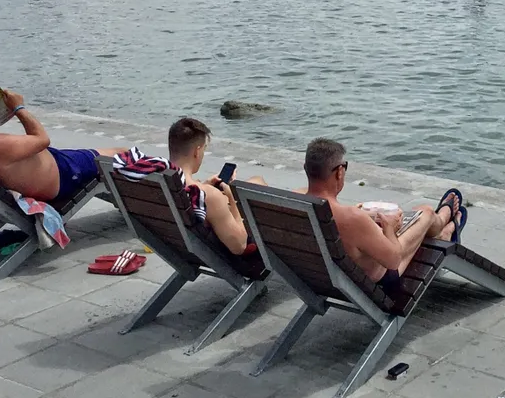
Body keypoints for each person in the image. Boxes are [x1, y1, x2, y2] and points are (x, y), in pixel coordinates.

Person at [302, 138, 460, 289]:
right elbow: (394, 261)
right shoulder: (352, 218)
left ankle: (442, 233)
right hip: (375, 280)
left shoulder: (294, 202)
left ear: (306, 168)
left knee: (403, 224)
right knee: (425, 212)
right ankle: (443, 223)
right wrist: (390, 228)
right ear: (340, 172)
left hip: (320, 278)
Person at [0, 89, 125, 203]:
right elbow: (42, 140)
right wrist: (18, 107)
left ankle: (125, 198)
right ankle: (138, 202)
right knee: (121, 153)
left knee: (106, 156)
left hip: (52, 166)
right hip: (64, 174)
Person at [164, 117, 266, 255]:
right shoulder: (209, 195)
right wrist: (231, 198)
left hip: (176, 245)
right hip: (230, 253)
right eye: (204, 149)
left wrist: (204, 185)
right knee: (259, 185)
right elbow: (239, 246)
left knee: (256, 181)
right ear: (197, 151)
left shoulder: (157, 180)